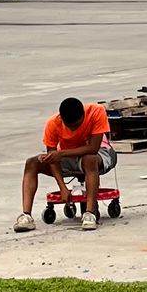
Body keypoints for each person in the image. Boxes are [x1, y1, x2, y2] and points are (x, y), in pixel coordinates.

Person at [19, 95, 114, 230]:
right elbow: (53, 159)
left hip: (100, 153)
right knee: (31, 163)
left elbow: (93, 148)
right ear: (61, 119)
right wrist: (62, 187)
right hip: (69, 156)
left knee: (89, 160)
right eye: (69, 126)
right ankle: (26, 216)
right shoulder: (53, 123)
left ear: (83, 115)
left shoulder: (96, 111)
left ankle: (90, 213)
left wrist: (61, 154)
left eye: (77, 125)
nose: (73, 129)